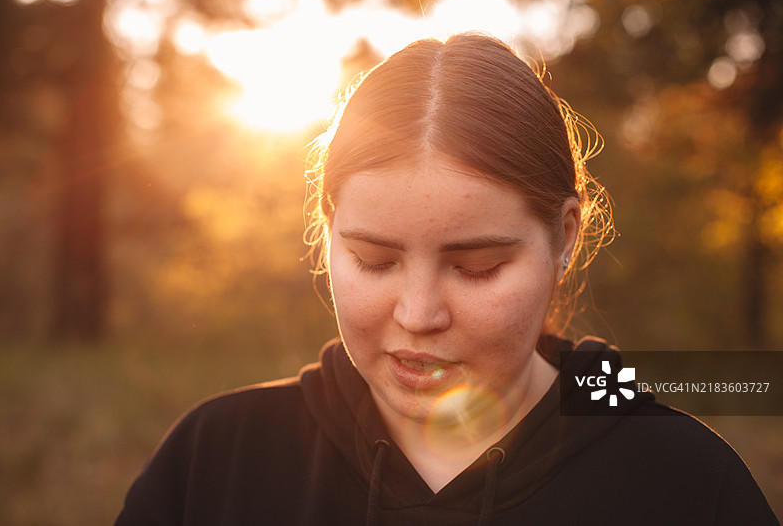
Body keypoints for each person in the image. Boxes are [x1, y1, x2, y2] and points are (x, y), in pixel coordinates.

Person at [114, 33, 779, 526]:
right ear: (326, 227)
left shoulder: (689, 484)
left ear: (565, 237)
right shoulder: (217, 461)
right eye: (375, 260)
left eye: (476, 267)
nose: (419, 313)